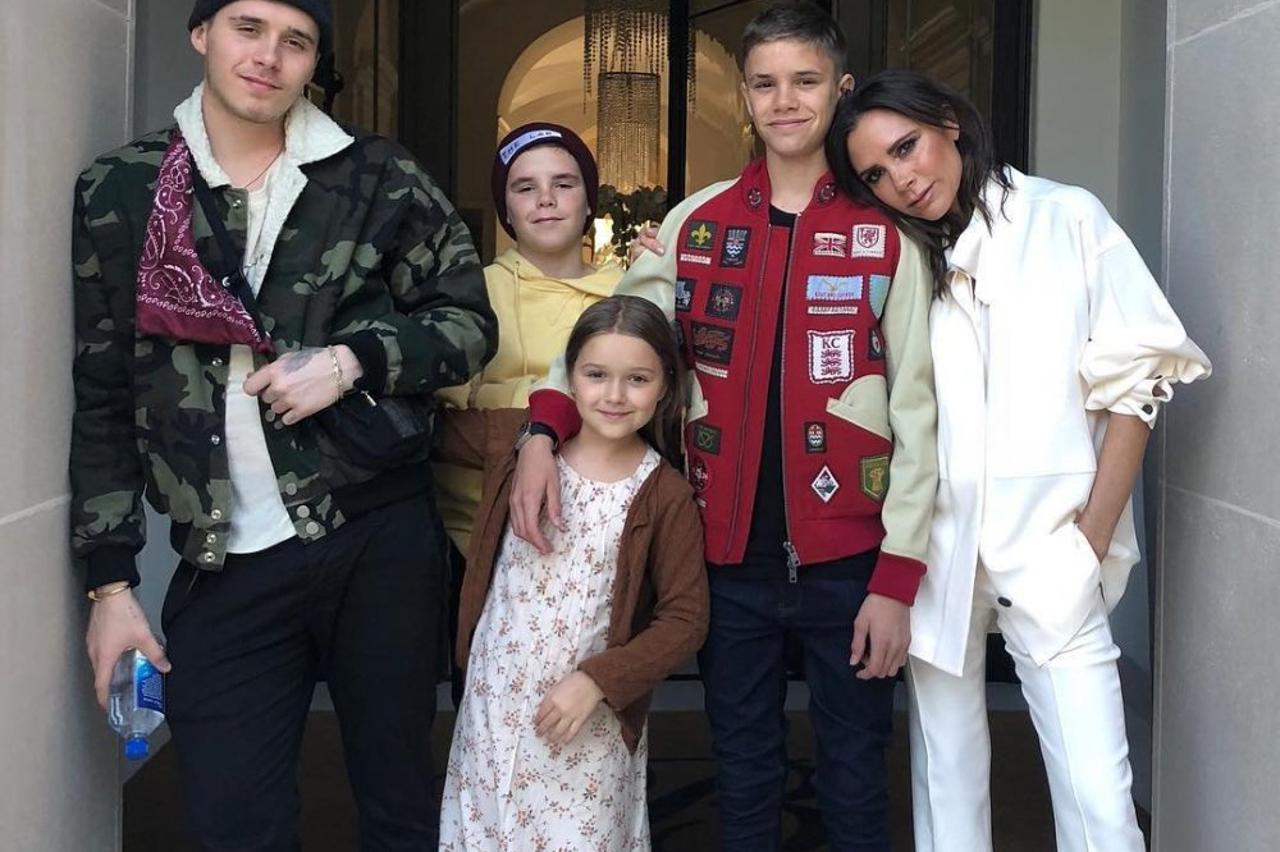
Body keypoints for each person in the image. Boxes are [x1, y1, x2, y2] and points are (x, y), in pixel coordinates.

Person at [510, 3, 938, 848]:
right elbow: (611, 340)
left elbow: (918, 416)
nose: (785, 101)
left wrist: (896, 580)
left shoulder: (885, 236)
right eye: (765, 84)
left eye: (805, 81)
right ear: (744, 96)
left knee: (856, 770)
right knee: (742, 766)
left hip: (852, 561)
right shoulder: (696, 225)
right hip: (725, 557)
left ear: (840, 89)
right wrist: (542, 431)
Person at [70, 1, 496, 848]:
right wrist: (110, 587)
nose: (269, 55)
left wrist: (351, 362)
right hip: (225, 557)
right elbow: (105, 387)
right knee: (233, 820)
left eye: (295, 41)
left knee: (400, 805)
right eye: (248, 28)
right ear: (202, 34)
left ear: (313, 63)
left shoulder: (377, 175)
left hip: (372, 530)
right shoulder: (122, 188)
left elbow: (468, 326)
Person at [829, 68, 1212, 852]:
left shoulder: (1065, 217)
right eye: (875, 174)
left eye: (906, 146)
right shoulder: (899, 255)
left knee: (1100, 804)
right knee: (945, 784)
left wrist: (1090, 539)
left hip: (1051, 548)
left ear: (949, 124)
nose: (901, 179)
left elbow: (1138, 382)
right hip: (937, 550)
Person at [436, 295, 709, 850]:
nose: (614, 395)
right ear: (570, 378)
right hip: (495, 703)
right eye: (595, 375)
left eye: (637, 379)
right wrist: (537, 429)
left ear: (665, 387)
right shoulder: (517, 442)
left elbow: (685, 618)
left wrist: (598, 681)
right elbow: (427, 431)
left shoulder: (664, 494)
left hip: (589, 721)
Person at [435, 122, 619, 564]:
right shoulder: (470, 294)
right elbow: (444, 425)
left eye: (564, 184)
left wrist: (503, 398)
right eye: (525, 188)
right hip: (476, 537)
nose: (546, 199)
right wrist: (561, 407)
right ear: (506, 209)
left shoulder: (628, 295)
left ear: (588, 201)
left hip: (601, 539)